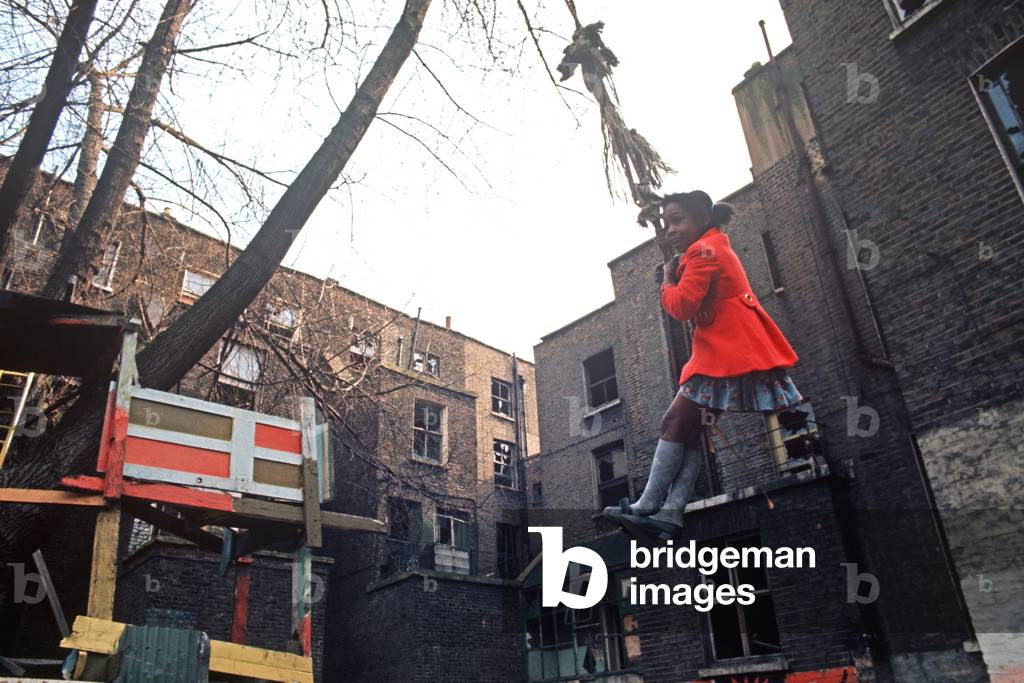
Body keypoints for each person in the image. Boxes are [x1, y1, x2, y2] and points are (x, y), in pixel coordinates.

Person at [603, 190, 803, 541]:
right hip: (728, 349)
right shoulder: (711, 246)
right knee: (690, 431)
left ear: (702, 219)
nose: (670, 229)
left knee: (672, 422)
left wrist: (666, 279)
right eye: (666, 223)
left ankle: (646, 506)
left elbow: (681, 306)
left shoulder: (703, 251)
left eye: (677, 221)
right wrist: (671, 262)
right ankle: (670, 514)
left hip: (724, 352)